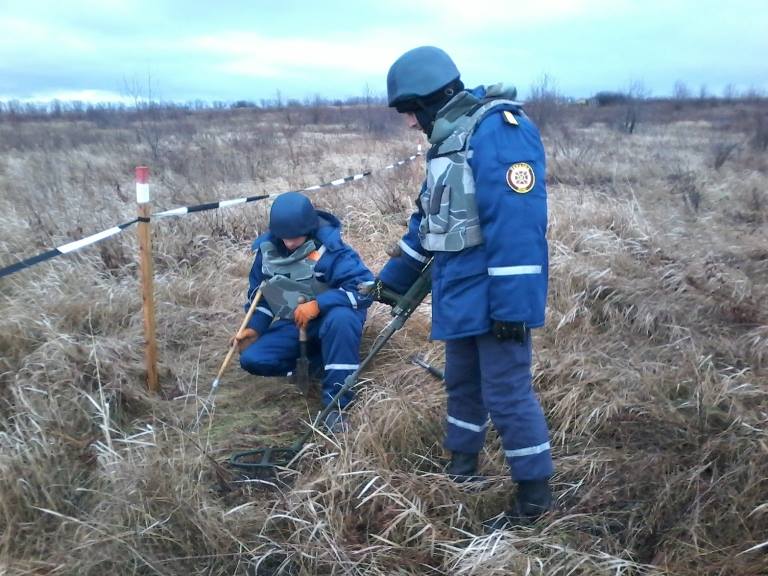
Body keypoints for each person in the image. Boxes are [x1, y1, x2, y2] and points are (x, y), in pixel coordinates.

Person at [375, 46, 554, 529]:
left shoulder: (498, 132)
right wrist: (389, 282)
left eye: (412, 110)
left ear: (433, 99)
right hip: (459, 293)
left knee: (507, 392)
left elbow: (518, 227)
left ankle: (534, 496)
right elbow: (429, 219)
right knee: (462, 385)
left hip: (496, 298)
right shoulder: (451, 140)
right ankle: (462, 468)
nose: (411, 122)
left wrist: (513, 310)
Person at [233, 192, 373, 429]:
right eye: (284, 238)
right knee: (252, 359)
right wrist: (255, 328)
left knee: (341, 320)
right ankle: (320, 364)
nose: (289, 243)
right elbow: (263, 297)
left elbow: (365, 289)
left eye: (295, 237)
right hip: (295, 323)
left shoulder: (332, 251)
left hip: (333, 320)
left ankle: (337, 407)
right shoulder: (268, 254)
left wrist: (319, 304)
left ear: (308, 228)